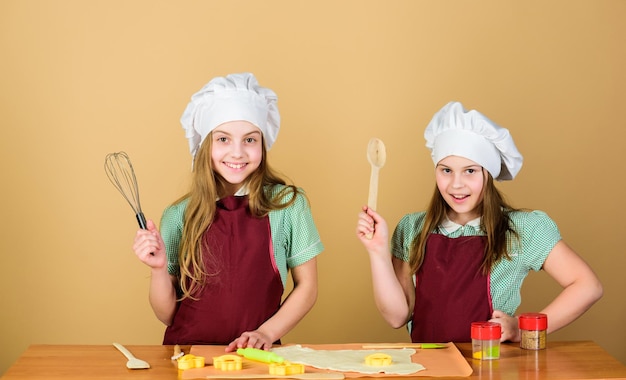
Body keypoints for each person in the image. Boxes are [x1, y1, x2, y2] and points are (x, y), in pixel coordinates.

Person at [356, 101, 602, 343]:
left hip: (492, 367)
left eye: (470, 171)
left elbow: (587, 286)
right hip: (430, 367)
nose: (457, 184)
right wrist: (377, 252)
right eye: (446, 170)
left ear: (489, 173)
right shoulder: (412, 228)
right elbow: (397, 317)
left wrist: (521, 328)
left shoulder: (522, 229)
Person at [133, 72, 323, 351]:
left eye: (249, 140)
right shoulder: (178, 215)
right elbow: (167, 315)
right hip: (187, 354)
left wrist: (266, 333)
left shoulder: (288, 205)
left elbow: (308, 287)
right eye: (223, 139)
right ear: (205, 145)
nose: (237, 152)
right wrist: (159, 269)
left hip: (258, 355)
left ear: (263, 144)